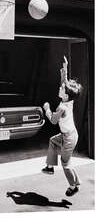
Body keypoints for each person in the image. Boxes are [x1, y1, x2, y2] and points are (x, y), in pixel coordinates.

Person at [42, 56, 83, 197]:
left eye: (62, 88)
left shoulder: (62, 107)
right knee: (53, 141)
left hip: (69, 137)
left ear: (65, 95)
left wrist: (46, 109)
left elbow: (53, 120)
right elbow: (64, 83)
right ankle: (49, 167)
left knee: (65, 163)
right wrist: (65, 69)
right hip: (69, 134)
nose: (60, 87)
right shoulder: (69, 99)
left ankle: (73, 186)